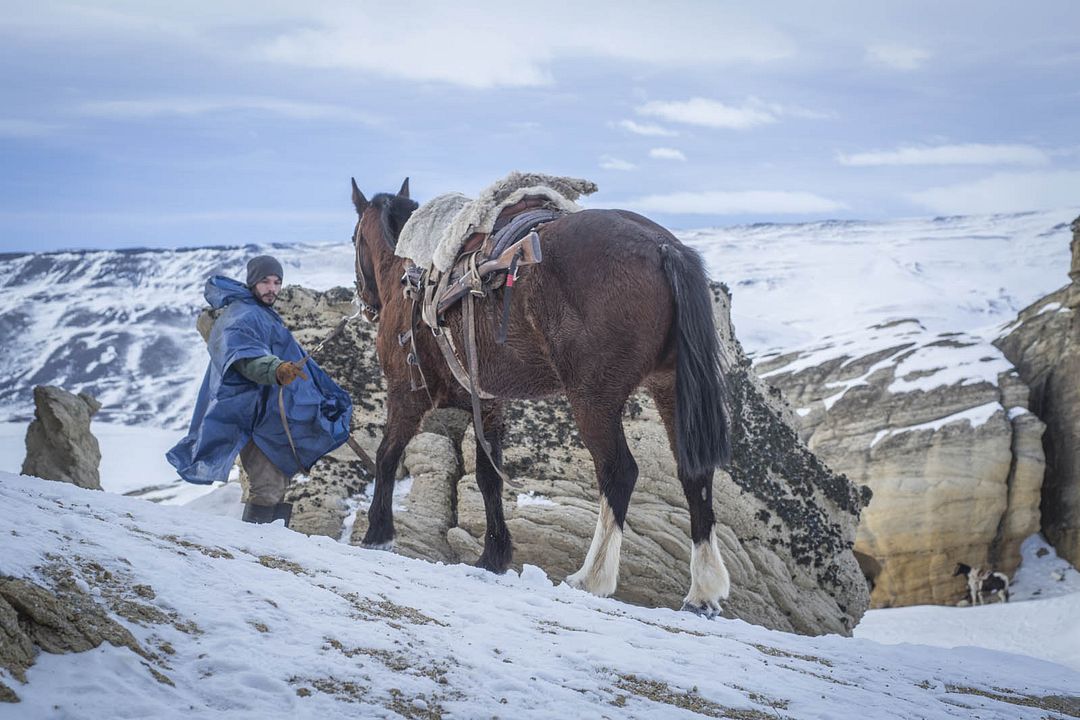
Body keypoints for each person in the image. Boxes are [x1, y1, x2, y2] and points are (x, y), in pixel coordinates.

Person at [167, 255, 353, 526]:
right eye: (265, 281)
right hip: (251, 417)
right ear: (252, 281)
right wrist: (276, 370)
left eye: (277, 282)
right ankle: (257, 551)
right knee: (266, 487)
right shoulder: (243, 316)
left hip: (264, 415)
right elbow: (245, 358)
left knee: (276, 483)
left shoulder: (259, 312)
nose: (272, 289)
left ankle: (268, 546)